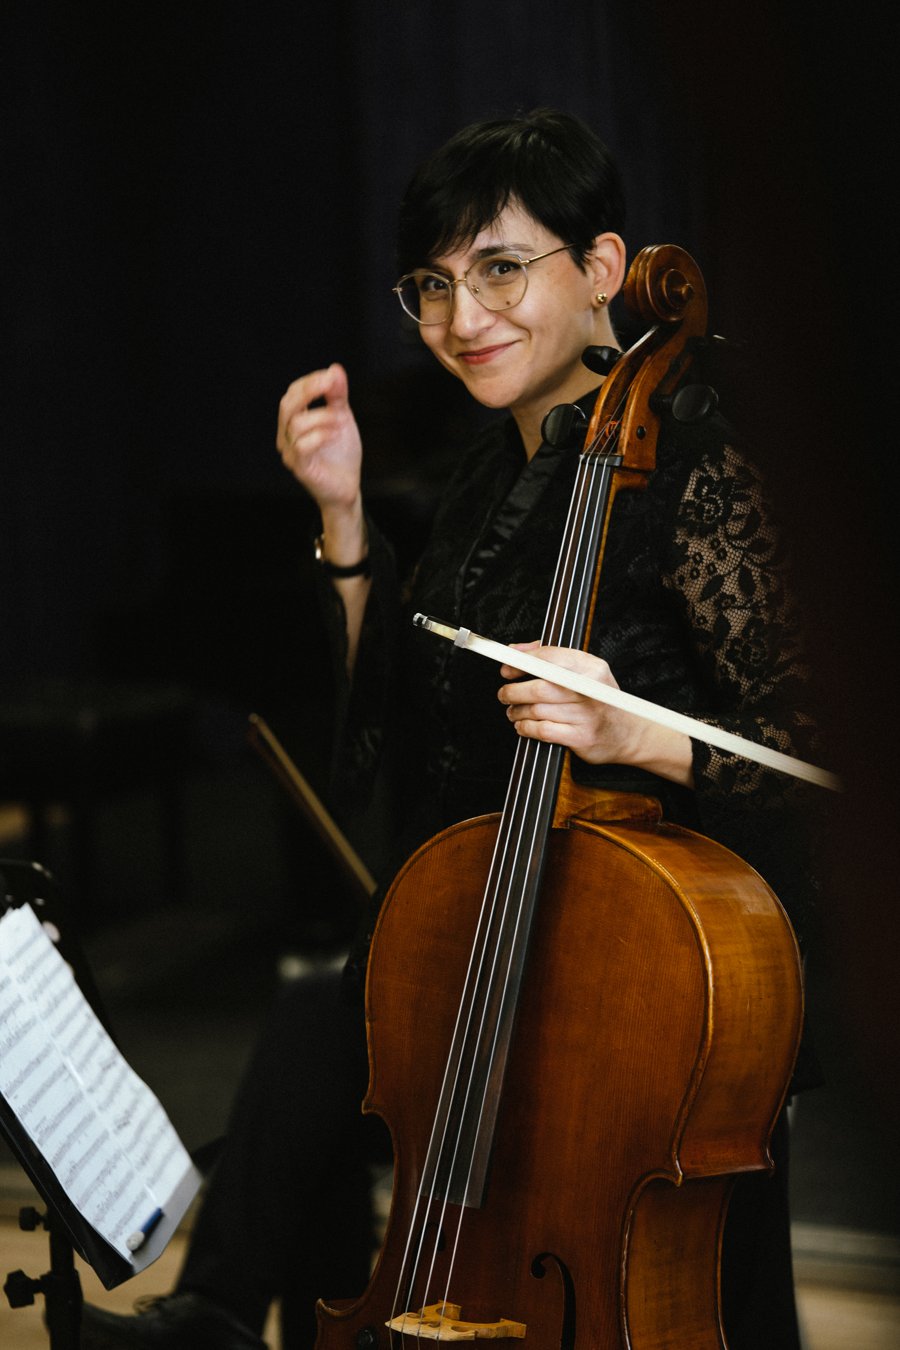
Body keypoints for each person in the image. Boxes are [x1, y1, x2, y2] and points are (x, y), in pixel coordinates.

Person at [81, 107, 821, 1350]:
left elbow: (808, 752)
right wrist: (343, 518)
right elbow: (393, 711)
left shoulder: (699, 453)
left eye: (499, 270)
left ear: (601, 269)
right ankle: (216, 1312)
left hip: (657, 984)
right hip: (498, 929)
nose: (461, 318)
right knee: (329, 1011)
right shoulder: (490, 471)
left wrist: (634, 735)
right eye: (433, 284)